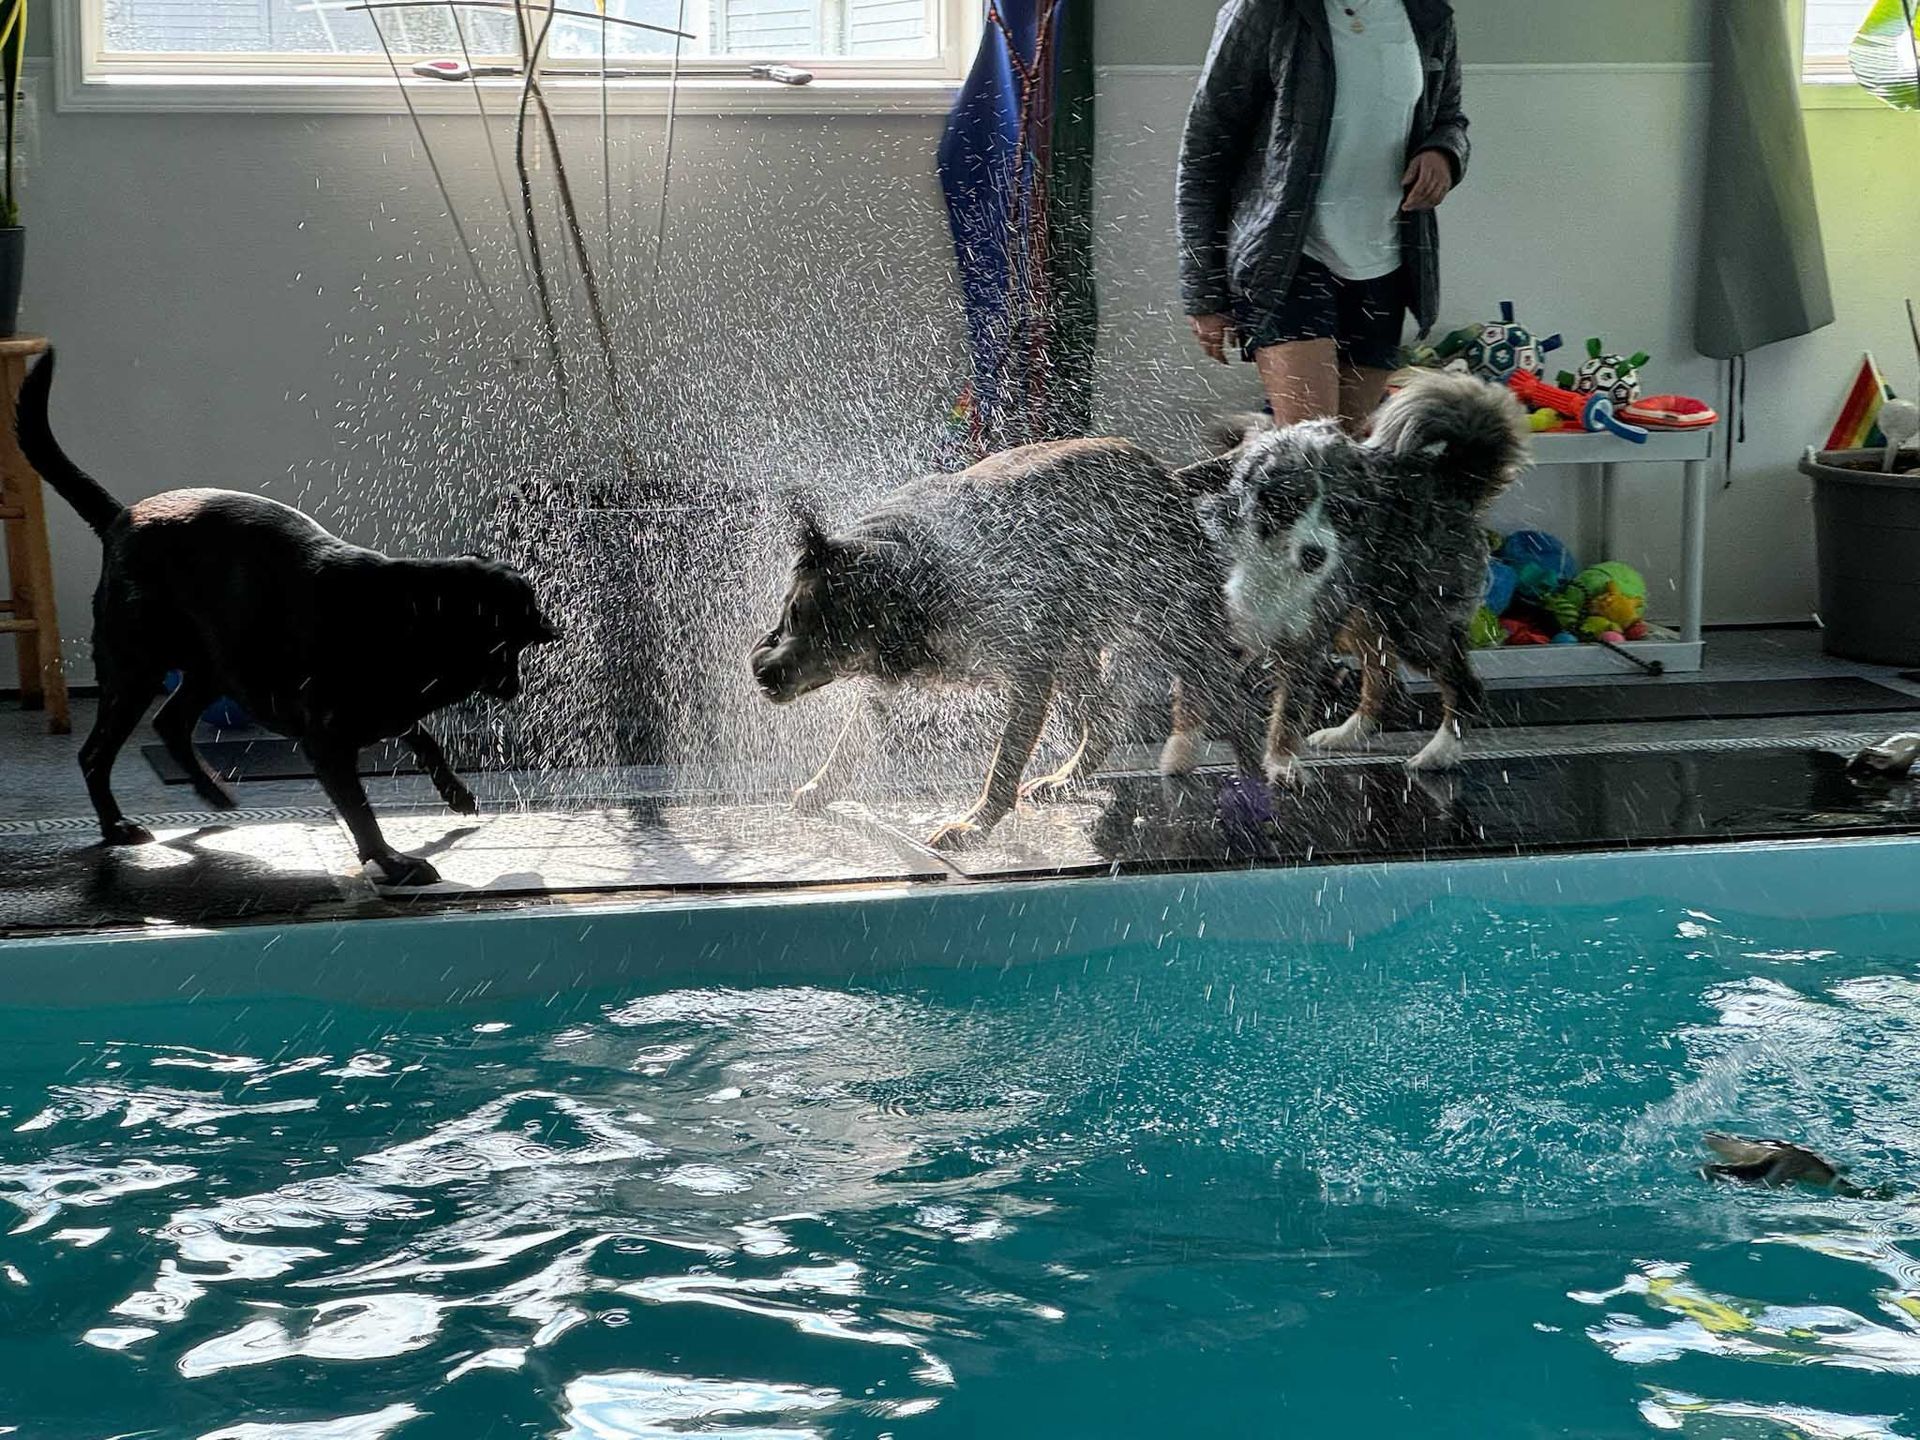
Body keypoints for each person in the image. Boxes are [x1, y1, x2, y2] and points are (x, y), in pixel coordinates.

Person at [1177, 0, 1468, 429]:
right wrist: (1203, 292)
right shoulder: (1264, 11)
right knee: (1309, 452)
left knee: (1350, 455)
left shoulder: (1428, 15)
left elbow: (1450, 118)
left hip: (1384, 265)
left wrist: (1444, 153)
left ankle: (1248, 460)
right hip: (1285, 259)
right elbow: (1203, 151)